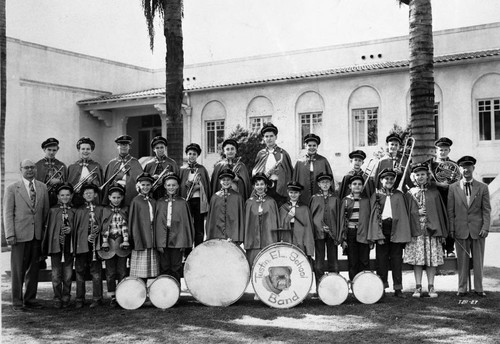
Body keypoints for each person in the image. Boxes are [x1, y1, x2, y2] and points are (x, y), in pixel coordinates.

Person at [3, 159, 50, 311]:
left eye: (32, 167)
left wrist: (44, 235)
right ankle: (17, 301)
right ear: (20, 169)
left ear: (36, 169)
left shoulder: (42, 187)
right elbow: (7, 213)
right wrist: (10, 235)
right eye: (26, 167)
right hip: (19, 235)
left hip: (37, 236)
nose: (30, 170)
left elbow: (45, 213)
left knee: (34, 269)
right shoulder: (12, 188)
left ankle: (30, 299)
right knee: (18, 270)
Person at [447, 156, 491, 297]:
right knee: (462, 261)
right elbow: (450, 211)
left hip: (478, 230)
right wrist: (452, 229)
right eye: (463, 167)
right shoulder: (453, 188)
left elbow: (486, 210)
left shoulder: (482, 187)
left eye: (468, 167)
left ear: (473, 168)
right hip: (460, 230)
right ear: (459, 169)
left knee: (478, 261)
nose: (466, 170)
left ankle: (479, 288)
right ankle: (462, 289)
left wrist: (485, 227)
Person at [404, 163, 448, 298]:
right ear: (413, 177)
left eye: (423, 174)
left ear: (427, 176)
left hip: (432, 232)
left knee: (431, 260)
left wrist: (442, 232)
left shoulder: (434, 193)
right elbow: (405, 213)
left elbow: (440, 213)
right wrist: (417, 212)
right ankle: (418, 287)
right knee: (418, 261)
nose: (420, 177)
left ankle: (431, 286)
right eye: (417, 175)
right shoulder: (410, 193)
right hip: (416, 232)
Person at [368, 169, 411, 297]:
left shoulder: (399, 195)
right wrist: (377, 234)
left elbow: (404, 214)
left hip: (396, 228)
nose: (389, 181)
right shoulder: (376, 195)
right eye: (386, 179)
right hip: (382, 229)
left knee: (396, 259)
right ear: (381, 181)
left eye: (392, 179)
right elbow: (373, 216)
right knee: (381, 260)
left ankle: (398, 288)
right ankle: (382, 287)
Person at [155, 173, 194, 283]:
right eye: (169, 185)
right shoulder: (159, 202)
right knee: (164, 266)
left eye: (173, 185)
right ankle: (165, 293)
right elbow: (156, 224)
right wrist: (158, 242)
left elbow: (186, 223)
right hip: (163, 237)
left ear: (177, 186)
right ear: (165, 186)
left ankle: (176, 292)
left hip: (178, 238)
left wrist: (184, 242)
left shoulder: (183, 202)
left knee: (176, 266)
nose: (171, 187)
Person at [42, 183, 75, 308]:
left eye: (67, 195)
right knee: (56, 275)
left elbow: (77, 227)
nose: (65, 197)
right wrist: (57, 234)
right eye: (62, 195)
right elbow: (49, 229)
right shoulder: (53, 210)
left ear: (71, 196)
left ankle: (66, 296)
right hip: (56, 247)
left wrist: (70, 229)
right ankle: (57, 297)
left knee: (68, 275)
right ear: (58, 196)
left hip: (68, 248)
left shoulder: (73, 211)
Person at [73, 183, 104, 308]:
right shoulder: (79, 210)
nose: (88, 195)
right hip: (82, 246)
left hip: (95, 246)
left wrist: (98, 230)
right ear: (83, 195)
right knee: (80, 272)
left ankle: (97, 298)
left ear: (95, 194)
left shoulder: (100, 209)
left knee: (96, 272)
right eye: (86, 193)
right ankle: (80, 298)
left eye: (91, 193)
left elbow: (103, 226)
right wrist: (85, 237)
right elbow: (77, 229)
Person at [100, 183, 130, 307]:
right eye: (113, 197)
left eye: (118, 197)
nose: (116, 200)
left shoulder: (125, 210)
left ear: (122, 198)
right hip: (109, 243)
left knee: (122, 271)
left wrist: (126, 239)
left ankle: (122, 294)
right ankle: (112, 295)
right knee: (110, 272)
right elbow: (103, 226)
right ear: (109, 197)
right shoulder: (105, 210)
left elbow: (127, 226)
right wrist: (104, 240)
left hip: (122, 243)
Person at [179, 143, 211, 255]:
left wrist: (199, 186)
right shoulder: (182, 169)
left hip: (198, 200)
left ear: (197, 155)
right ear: (187, 155)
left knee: (199, 228)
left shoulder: (201, 169)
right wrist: (186, 185)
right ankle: (187, 253)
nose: (192, 156)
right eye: (190, 154)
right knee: (187, 226)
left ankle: (198, 252)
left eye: (194, 154)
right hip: (186, 201)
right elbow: (180, 185)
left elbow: (206, 186)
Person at [339, 174, 371, 282]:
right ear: (349, 186)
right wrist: (343, 238)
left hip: (364, 233)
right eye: (354, 184)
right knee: (353, 261)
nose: (357, 186)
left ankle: (363, 285)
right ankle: (354, 284)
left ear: (362, 186)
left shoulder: (367, 201)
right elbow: (342, 220)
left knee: (364, 261)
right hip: (351, 233)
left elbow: (369, 220)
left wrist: (371, 238)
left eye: (359, 184)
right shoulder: (346, 201)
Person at [253, 123, 293, 207]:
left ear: (276, 137)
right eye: (266, 136)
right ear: (263, 138)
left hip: (279, 190)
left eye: (271, 136)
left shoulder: (283, 153)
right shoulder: (261, 154)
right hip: (264, 188)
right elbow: (256, 172)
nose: (269, 139)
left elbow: (289, 173)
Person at [128, 172, 159, 282]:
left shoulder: (153, 201)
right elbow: (133, 221)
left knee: (152, 269)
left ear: (151, 186)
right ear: (138, 186)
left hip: (152, 235)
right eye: (143, 185)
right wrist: (135, 237)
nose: (145, 187)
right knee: (140, 269)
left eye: (148, 185)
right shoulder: (136, 201)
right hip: (141, 236)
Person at [309, 172, 340, 285]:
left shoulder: (335, 198)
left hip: (332, 234)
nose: (325, 184)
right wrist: (320, 227)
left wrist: (336, 231)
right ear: (319, 184)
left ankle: (335, 287)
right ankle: (320, 287)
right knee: (319, 263)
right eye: (322, 182)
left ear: (331, 183)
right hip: (319, 234)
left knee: (334, 262)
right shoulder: (314, 198)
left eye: (327, 182)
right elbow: (312, 216)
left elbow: (338, 216)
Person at [244, 172, 280, 266]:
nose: (259, 187)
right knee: (253, 265)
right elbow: (246, 223)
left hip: (268, 240)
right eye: (257, 184)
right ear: (253, 186)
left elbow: (276, 222)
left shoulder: (271, 202)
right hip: (253, 242)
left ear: (266, 186)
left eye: (262, 184)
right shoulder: (249, 202)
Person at [430, 137, 457, 257]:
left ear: (449, 150)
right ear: (436, 150)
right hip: (436, 196)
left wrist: (450, 186)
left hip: (450, 196)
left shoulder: (454, 165)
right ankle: (439, 249)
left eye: (445, 150)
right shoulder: (432, 165)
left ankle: (450, 248)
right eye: (440, 150)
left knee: (450, 221)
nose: (443, 152)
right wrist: (440, 184)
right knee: (438, 221)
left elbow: (458, 180)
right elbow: (429, 181)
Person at [102, 135, 143, 206]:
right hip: (115, 198)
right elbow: (107, 184)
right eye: (121, 144)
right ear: (117, 146)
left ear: (129, 147)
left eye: (126, 144)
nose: (123, 147)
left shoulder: (135, 162)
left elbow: (138, 182)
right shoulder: (112, 163)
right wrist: (117, 178)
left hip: (130, 197)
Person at [206, 168, 245, 242]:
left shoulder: (238, 198)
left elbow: (240, 219)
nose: (226, 182)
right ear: (220, 181)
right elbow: (211, 219)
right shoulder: (215, 197)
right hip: (217, 236)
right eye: (223, 180)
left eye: (228, 180)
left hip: (233, 237)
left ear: (231, 181)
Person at [293, 133, 334, 205]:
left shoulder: (323, 161)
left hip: (319, 192)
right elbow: (295, 180)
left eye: (314, 145)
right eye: (309, 145)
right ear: (305, 146)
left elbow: (330, 180)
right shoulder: (300, 162)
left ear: (317, 146)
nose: (312, 147)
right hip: (304, 194)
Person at [278, 181, 315, 258]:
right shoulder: (283, 208)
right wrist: (288, 218)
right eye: (291, 192)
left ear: (299, 193)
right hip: (288, 233)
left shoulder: (305, 208)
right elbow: (280, 225)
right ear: (288, 192)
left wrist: (308, 245)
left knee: (300, 254)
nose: (293, 195)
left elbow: (308, 228)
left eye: (296, 192)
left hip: (300, 235)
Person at [67, 137, 103, 208]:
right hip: (76, 199)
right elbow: (69, 184)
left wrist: (92, 182)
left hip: (92, 198)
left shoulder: (97, 166)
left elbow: (100, 183)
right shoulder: (72, 167)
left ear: (91, 150)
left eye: (88, 149)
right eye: (83, 149)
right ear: (78, 150)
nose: (85, 151)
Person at [143, 136, 179, 200]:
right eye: (157, 148)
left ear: (165, 148)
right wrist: (152, 178)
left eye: (162, 147)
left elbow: (177, 181)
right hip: (153, 194)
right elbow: (144, 181)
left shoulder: (172, 163)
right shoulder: (149, 164)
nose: (160, 150)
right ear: (154, 149)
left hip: (168, 194)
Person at [35, 137, 67, 207]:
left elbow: (66, 182)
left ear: (57, 150)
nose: (52, 152)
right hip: (42, 198)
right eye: (49, 150)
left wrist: (59, 181)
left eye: (54, 150)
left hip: (58, 198)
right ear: (44, 149)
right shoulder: (37, 165)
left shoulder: (61, 165)